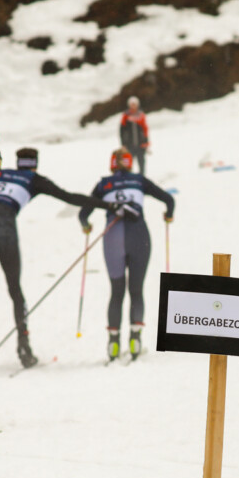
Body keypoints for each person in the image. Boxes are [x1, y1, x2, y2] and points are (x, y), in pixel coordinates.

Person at [0, 147, 114, 370]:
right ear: (35, 163)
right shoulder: (34, 179)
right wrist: (108, 205)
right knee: (15, 291)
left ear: (18, 162)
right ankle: (24, 348)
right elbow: (69, 197)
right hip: (6, 230)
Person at [78, 147, 174, 362]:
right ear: (130, 163)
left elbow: (84, 212)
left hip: (113, 236)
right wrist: (169, 215)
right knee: (136, 290)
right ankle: (135, 338)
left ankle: (113, 342)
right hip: (139, 235)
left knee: (117, 291)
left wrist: (86, 225)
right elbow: (169, 200)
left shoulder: (104, 183)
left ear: (112, 164)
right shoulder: (139, 180)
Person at [119, 96, 149, 176]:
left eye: (135, 104)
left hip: (140, 145)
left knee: (141, 162)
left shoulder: (141, 115)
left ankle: (142, 178)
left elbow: (145, 129)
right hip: (129, 145)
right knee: (128, 163)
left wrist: (146, 142)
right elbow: (122, 131)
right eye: (132, 104)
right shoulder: (126, 116)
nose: (133, 106)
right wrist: (123, 144)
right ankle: (128, 177)